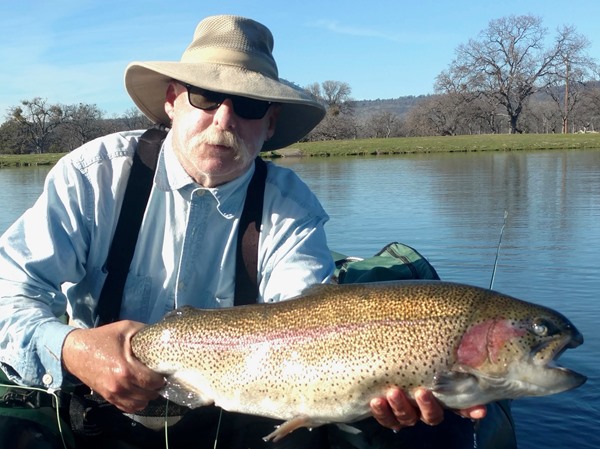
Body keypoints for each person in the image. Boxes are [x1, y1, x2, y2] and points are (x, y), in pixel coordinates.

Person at [0, 14, 486, 449]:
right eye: (206, 96)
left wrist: (402, 381)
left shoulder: (291, 207)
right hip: (98, 409)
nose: (224, 119)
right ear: (172, 101)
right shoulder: (93, 176)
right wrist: (72, 348)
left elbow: (309, 328)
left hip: (235, 412)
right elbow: (8, 293)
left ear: (270, 123)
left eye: (249, 105)